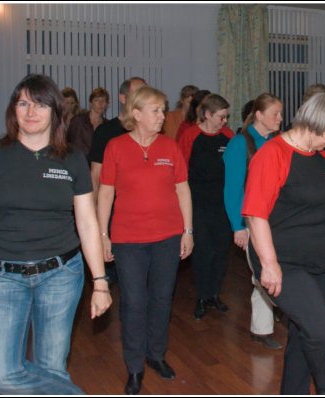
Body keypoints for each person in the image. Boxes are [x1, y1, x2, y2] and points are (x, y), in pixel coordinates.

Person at [0, 74, 111, 394]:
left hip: (61, 274)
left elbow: (86, 223)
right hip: (2, 276)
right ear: (13, 110)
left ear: (55, 112)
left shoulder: (72, 158)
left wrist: (100, 282)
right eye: (23, 103)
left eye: (41, 104)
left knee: (51, 367)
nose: (31, 111)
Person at [243, 93, 325, 395]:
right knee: (322, 332)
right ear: (314, 124)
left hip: (318, 257)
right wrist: (270, 264)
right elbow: (255, 214)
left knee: (304, 336)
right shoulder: (272, 154)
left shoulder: (321, 155)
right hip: (283, 259)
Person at [97, 86, 193, 395]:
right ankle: (135, 367)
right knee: (134, 303)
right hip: (128, 239)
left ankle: (156, 355)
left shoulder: (170, 146)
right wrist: (102, 236)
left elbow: (182, 189)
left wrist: (187, 231)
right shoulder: (115, 146)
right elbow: (106, 193)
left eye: (163, 110)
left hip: (167, 236)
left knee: (162, 300)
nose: (163, 116)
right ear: (136, 113)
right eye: (156, 110)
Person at [223, 93, 284, 350]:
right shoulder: (240, 143)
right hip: (253, 220)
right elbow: (233, 189)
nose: (280, 119)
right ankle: (261, 329)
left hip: (278, 219)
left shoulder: (279, 142)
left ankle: (279, 310)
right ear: (259, 115)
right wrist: (238, 226)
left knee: (280, 269)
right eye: (275, 114)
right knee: (262, 274)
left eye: (281, 114)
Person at [177, 94, 235, 320]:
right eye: (221, 116)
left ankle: (214, 294)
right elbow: (180, 172)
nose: (225, 121)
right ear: (208, 114)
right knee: (202, 251)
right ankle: (201, 296)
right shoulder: (190, 135)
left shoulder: (228, 137)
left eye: (227, 116)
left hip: (222, 204)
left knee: (221, 250)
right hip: (197, 203)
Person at [88, 76, 147, 195]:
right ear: (123, 98)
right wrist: (94, 210)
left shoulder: (150, 131)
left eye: (145, 95)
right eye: (137, 94)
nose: (142, 99)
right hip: (114, 206)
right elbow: (95, 176)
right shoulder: (105, 131)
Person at [67, 87, 109, 156]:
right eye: (96, 100)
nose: (100, 103)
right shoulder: (77, 121)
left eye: (103, 101)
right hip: (78, 162)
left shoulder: (108, 125)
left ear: (107, 104)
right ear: (90, 103)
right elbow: (67, 141)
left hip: (98, 164)